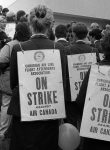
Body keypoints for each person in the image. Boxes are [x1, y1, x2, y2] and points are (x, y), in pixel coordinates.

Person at [8, 5, 66, 150]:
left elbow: (13, 83)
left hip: (23, 110)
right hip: (49, 111)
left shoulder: (18, 48)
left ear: (30, 23)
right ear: (50, 24)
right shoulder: (58, 48)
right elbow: (63, 83)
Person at [0, 22, 31, 140]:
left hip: (10, 81)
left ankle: (2, 133)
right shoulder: (28, 44)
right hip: (26, 80)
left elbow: (1, 60)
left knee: (6, 105)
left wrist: (9, 65)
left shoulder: (11, 45)